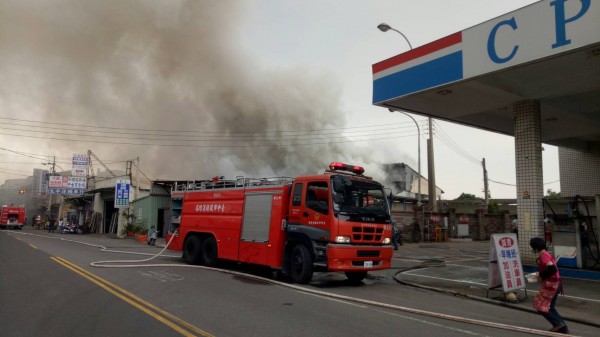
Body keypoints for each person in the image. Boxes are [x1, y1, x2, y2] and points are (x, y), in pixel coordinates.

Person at [529, 237, 569, 334]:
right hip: (556, 283)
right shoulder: (545, 254)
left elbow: (552, 269)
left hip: (551, 285)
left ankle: (558, 323)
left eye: (532, 247)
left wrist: (540, 275)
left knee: (540, 306)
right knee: (550, 307)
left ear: (535, 247)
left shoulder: (544, 256)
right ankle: (563, 329)